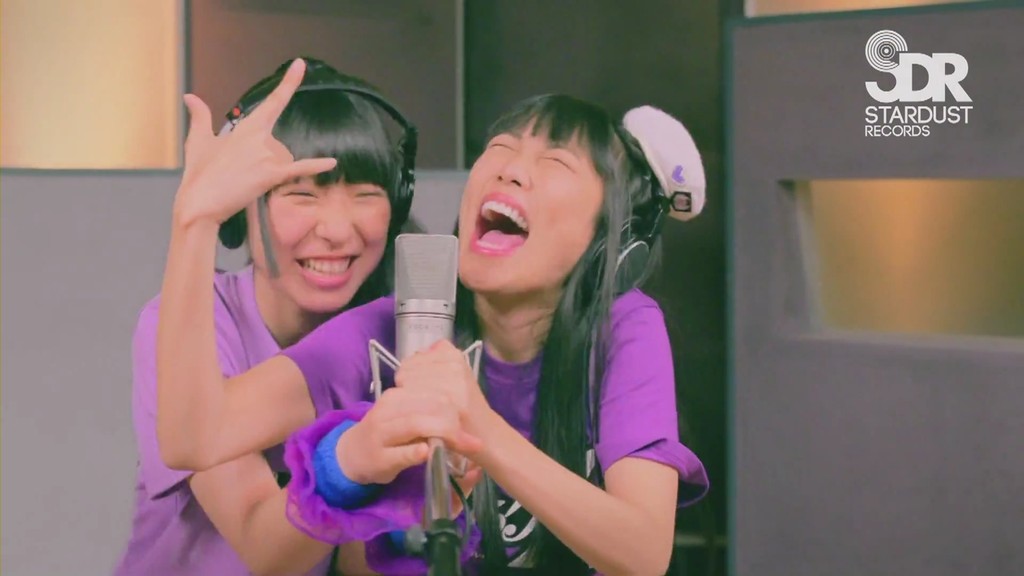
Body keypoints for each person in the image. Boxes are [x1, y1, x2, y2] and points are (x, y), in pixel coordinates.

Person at [156, 91, 709, 575]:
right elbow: (192, 440)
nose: (510, 170)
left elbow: (643, 552)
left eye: (555, 162)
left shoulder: (623, 328)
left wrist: (479, 428)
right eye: (501, 148)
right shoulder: (388, 330)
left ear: (607, 238)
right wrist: (195, 223)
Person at [114, 56, 424, 576]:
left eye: (365, 195)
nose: (337, 230)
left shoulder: (387, 336)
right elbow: (265, 548)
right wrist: (196, 220)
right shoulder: (190, 324)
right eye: (301, 194)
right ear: (242, 210)